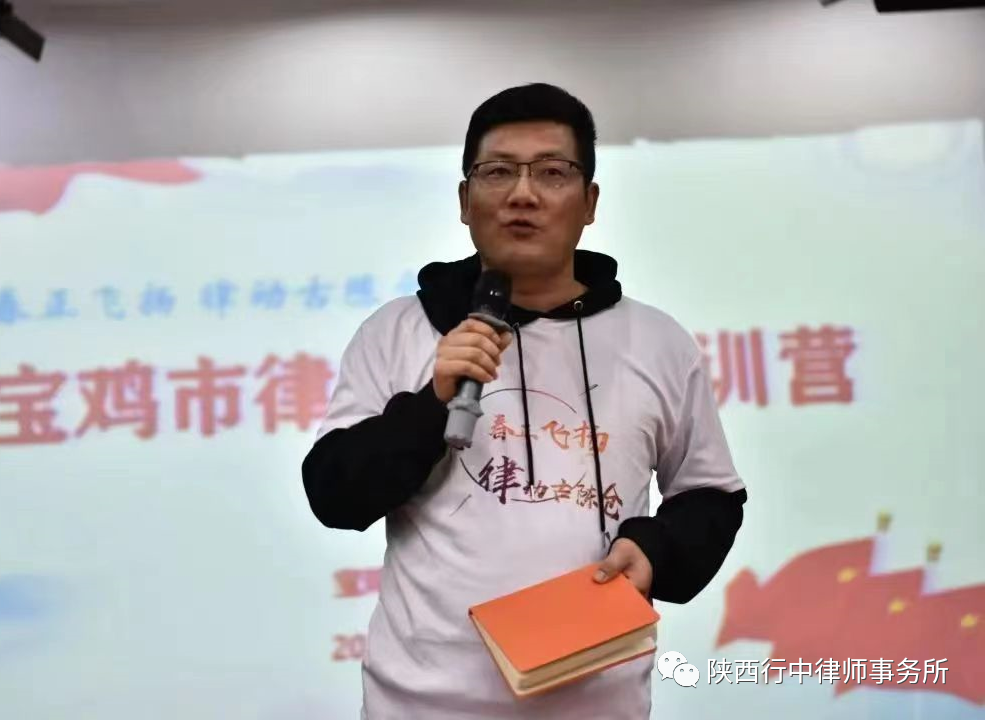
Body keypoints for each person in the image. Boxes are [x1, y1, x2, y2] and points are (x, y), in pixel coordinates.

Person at [302, 83, 747, 720]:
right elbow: (334, 495)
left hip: (598, 703)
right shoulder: (399, 330)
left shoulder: (656, 342)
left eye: (552, 173)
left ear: (589, 202)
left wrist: (656, 550)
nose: (523, 194)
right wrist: (431, 401)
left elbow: (710, 495)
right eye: (498, 172)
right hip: (422, 704)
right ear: (465, 201)